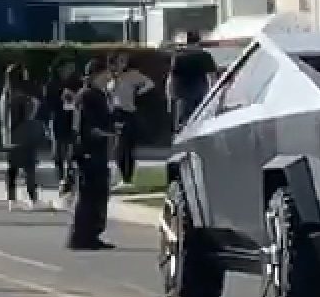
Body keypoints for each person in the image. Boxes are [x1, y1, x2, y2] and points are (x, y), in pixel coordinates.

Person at [67, 58, 116, 251]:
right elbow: (89, 127)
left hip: (93, 150)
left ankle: (90, 235)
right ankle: (82, 236)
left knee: (96, 194)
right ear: (96, 75)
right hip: (89, 151)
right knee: (90, 195)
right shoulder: (89, 96)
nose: (108, 77)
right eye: (105, 74)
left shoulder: (94, 94)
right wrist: (111, 132)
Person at [0, 63, 42, 210]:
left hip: (10, 136)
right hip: (24, 135)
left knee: (13, 168)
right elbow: (29, 114)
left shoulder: (5, 95)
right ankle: (33, 198)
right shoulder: (22, 97)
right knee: (29, 167)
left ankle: (12, 199)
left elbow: (4, 118)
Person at [108, 54, 155, 188]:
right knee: (118, 148)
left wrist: (139, 92)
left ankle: (127, 178)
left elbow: (150, 83)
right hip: (115, 113)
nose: (122, 64)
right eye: (119, 61)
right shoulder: (110, 77)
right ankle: (123, 177)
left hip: (127, 112)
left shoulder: (132, 75)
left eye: (124, 61)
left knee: (125, 147)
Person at [44, 59, 80, 204]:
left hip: (72, 119)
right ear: (59, 69)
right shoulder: (52, 84)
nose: (69, 71)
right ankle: (61, 180)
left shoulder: (76, 83)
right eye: (67, 68)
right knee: (58, 152)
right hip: (58, 119)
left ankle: (69, 181)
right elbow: (48, 104)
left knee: (72, 152)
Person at [166, 34, 218, 136]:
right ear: (199, 42)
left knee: (185, 118)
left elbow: (172, 76)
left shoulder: (178, 56)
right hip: (200, 89)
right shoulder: (205, 55)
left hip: (182, 91)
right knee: (199, 116)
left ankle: (183, 136)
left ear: (186, 41)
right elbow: (212, 75)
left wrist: (170, 92)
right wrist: (214, 90)